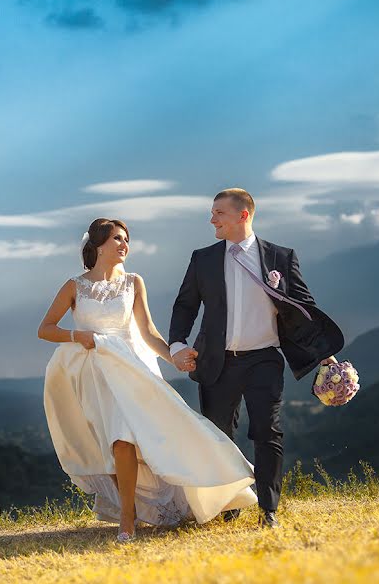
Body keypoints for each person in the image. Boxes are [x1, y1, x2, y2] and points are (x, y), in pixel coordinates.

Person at [38, 218, 258, 542]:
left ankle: (137, 515)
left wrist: (175, 357)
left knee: (131, 438)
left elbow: (149, 333)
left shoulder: (134, 282)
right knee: (115, 443)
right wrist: (77, 334)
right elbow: (46, 329)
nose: (124, 244)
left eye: (126, 239)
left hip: (130, 369)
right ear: (97, 244)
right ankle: (128, 514)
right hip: (94, 372)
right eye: (117, 238)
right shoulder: (75, 286)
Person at [169, 188, 344, 528]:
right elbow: (186, 304)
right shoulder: (202, 258)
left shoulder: (280, 257)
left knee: (268, 432)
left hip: (264, 360)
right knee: (219, 435)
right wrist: (177, 343)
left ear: (242, 216)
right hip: (217, 362)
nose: (212, 219)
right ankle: (229, 505)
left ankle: (269, 510)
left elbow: (304, 309)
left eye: (218, 212)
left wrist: (326, 354)